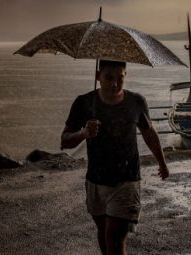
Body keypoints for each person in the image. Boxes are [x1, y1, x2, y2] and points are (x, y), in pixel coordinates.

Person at [61, 59, 170, 255]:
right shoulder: (84, 102)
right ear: (98, 77)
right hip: (96, 180)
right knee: (104, 233)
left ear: (125, 76)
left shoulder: (136, 102)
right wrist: (83, 134)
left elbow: (149, 133)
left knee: (115, 236)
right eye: (108, 78)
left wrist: (162, 162)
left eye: (120, 78)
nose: (115, 84)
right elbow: (65, 140)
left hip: (127, 180)